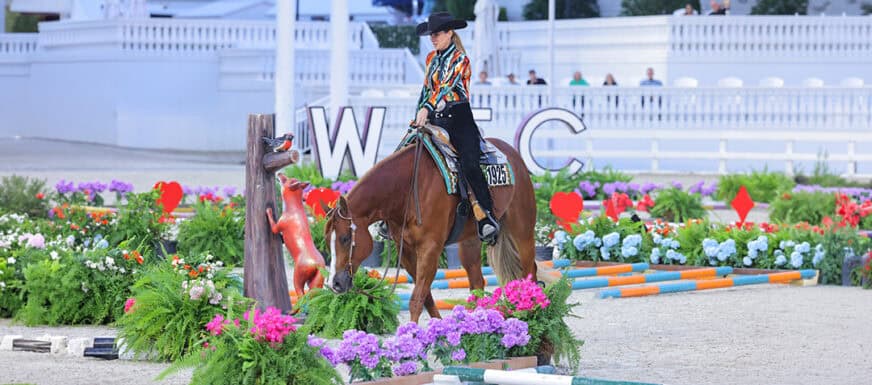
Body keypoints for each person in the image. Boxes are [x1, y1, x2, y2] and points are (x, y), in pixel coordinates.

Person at [414, 12, 500, 244]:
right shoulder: (431, 58)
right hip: (436, 118)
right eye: (431, 34)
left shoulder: (461, 60)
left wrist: (427, 108)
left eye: (438, 33)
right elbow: (426, 89)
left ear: (450, 33)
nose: (433, 38)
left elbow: (445, 87)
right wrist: (419, 113)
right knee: (407, 151)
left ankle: (487, 216)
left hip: (460, 118)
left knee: (469, 163)